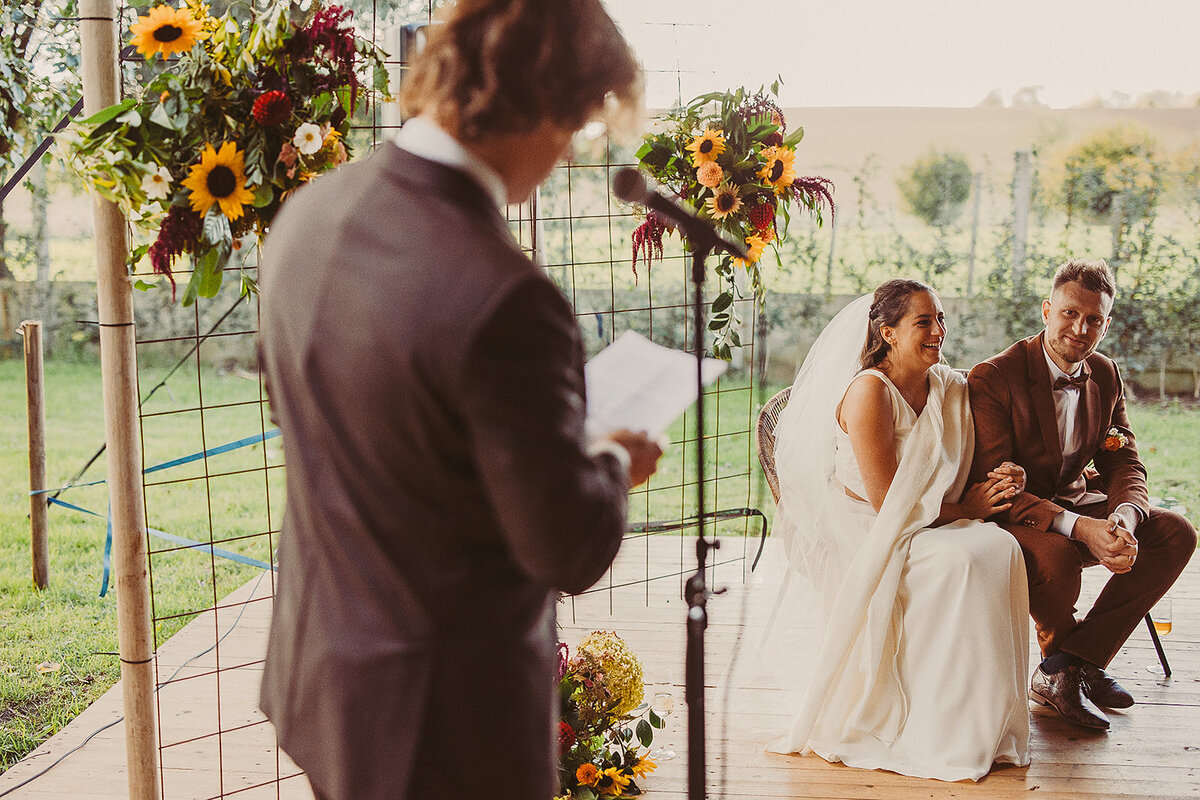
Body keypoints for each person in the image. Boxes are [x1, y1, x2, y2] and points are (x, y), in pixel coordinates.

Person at [255, 2, 662, 798]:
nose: (566, 152)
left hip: (324, 670)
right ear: (543, 103)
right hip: (443, 723)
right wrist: (612, 458)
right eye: (577, 124)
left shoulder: (308, 214)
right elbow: (564, 547)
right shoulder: (506, 295)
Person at [760, 279, 1031, 782]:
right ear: (887, 332)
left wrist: (1006, 476)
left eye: (941, 319)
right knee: (964, 559)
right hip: (867, 524)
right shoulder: (869, 391)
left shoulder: (947, 387)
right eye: (923, 322)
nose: (938, 331)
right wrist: (966, 506)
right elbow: (888, 501)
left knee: (999, 546)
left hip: (927, 514)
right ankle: (933, 730)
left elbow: (959, 466)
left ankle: (983, 726)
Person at [968, 258, 1196, 731]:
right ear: (1047, 310)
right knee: (1056, 556)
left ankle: (1069, 666)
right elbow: (997, 483)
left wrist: (1126, 518)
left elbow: (1123, 460)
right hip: (1013, 512)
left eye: (1094, 319)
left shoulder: (1106, 374)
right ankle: (1072, 670)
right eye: (1070, 314)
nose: (1080, 328)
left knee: (1174, 532)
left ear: (1106, 325)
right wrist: (1082, 529)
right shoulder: (994, 377)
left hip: (1077, 497)